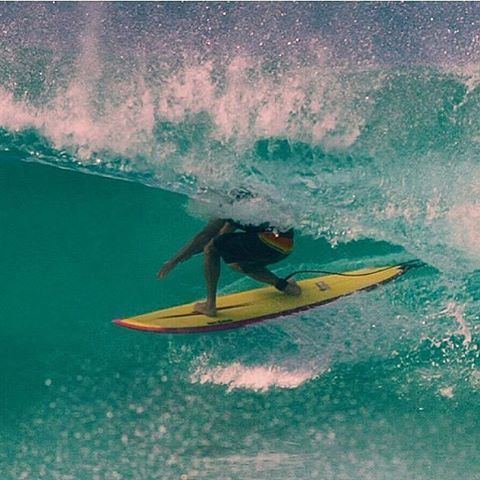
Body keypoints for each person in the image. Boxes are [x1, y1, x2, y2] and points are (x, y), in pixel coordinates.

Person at [157, 218, 301, 317]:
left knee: (211, 248)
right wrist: (196, 252)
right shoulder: (248, 202)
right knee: (235, 263)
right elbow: (221, 235)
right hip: (285, 247)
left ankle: (210, 306)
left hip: (267, 243)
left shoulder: (229, 204)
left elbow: (205, 237)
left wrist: (174, 261)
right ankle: (286, 287)